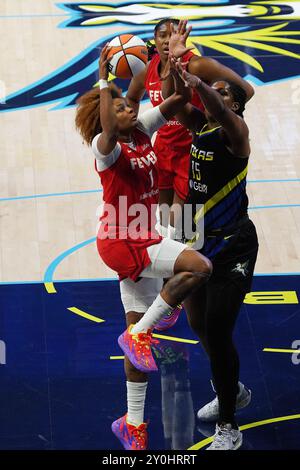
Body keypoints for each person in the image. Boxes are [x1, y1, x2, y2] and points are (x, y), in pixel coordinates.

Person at [75, 40, 212, 451]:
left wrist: (170, 61)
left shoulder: (142, 128)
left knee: (139, 349)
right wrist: (102, 80)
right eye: (119, 108)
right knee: (200, 267)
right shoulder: (107, 149)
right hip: (122, 241)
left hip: (141, 238)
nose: (129, 108)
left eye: (128, 105)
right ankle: (143, 329)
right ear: (105, 119)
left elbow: (180, 99)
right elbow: (109, 123)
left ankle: (133, 425)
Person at [126, 17, 254, 330]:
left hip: (190, 152)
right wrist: (132, 122)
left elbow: (245, 91)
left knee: (183, 226)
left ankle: (178, 291)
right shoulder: (151, 68)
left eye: (173, 34)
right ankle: (170, 284)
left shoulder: (199, 65)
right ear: (154, 41)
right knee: (163, 221)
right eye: (162, 35)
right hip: (163, 151)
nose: (167, 39)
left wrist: (214, 116)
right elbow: (135, 97)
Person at [162, 51, 258, 449]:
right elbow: (172, 105)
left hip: (234, 243)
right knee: (198, 324)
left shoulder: (237, 134)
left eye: (220, 94)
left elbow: (214, 100)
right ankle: (230, 387)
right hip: (197, 238)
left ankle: (229, 425)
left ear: (234, 104)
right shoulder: (201, 126)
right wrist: (172, 69)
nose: (210, 97)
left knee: (218, 330)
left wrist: (201, 82)